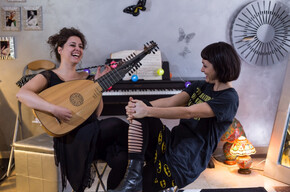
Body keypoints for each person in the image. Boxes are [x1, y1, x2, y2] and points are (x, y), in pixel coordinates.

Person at [109, 41, 241, 192]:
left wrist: (147, 111)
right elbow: (171, 102)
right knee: (145, 104)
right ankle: (133, 177)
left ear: (219, 67)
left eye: (205, 66)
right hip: (171, 143)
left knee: (144, 186)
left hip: (186, 160)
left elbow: (189, 112)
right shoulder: (201, 86)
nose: (201, 69)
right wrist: (137, 107)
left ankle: (139, 180)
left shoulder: (229, 98)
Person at [16, 27, 129, 192]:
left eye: (81, 46)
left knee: (122, 158)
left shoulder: (86, 79)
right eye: (73, 45)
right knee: (116, 124)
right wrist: (54, 109)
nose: (78, 49)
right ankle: (153, 154)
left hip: (93, 135)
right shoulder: (49, 76)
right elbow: (22, 94)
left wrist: (98, 89)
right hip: (71, 138)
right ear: (60, 49)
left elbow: (95, 115)